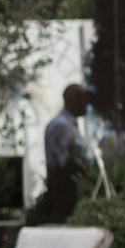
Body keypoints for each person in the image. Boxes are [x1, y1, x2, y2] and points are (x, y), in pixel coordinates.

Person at [35, 84, 93, 224]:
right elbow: (64, 164)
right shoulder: (61, 126)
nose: (87, 104)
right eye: (83, 99)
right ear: (70, 100)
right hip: (64, 194)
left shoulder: (69, 124)